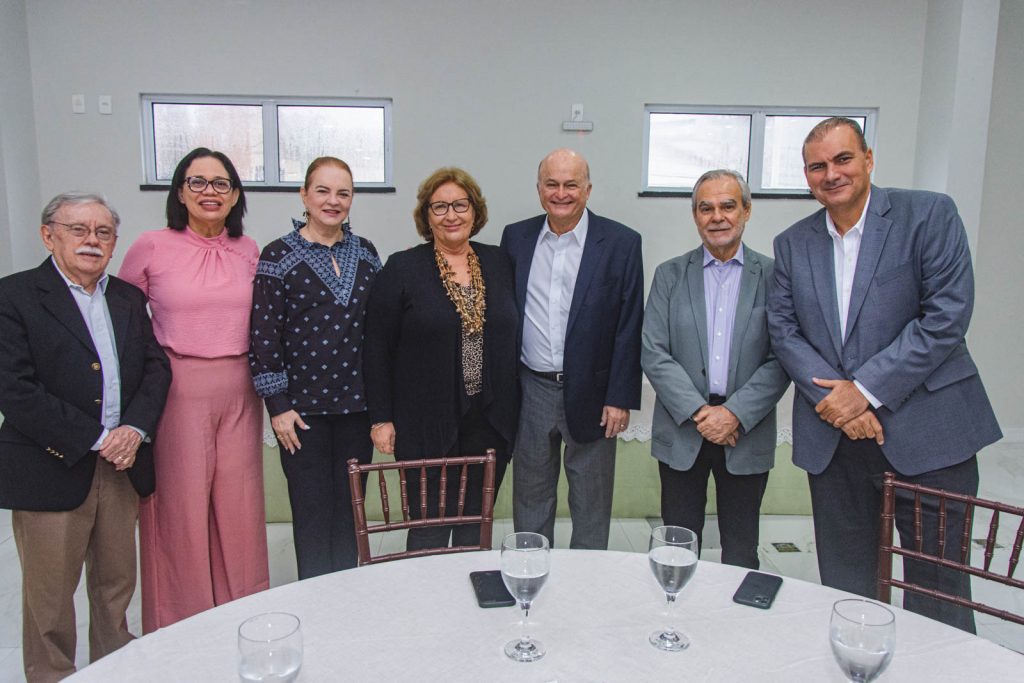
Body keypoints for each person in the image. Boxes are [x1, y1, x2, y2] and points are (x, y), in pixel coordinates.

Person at [767, 117, 1002, 631]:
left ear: (868, 159)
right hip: (836, 442)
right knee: (849, 586)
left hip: (930, 434)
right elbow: (785, 332)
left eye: (843, 159)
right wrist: (842, 404)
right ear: (807, 176)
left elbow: (946, 316)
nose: (831, 174)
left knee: (937, 592)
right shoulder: (792, 243)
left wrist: (866, 392)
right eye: (817, 166)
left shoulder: (928, 215)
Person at [0, 193, 171, 681]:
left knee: (115, 585)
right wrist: (100, 438)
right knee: (50, 597)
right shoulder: (13, 297)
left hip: (122, 467)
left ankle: (113, 669)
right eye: (78, 229)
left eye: (102, 232)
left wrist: (134, 430)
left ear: (115, 242)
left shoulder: (126, 298)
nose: (91, 241)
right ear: (47, 234)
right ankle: (51, 675)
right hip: (51, 468)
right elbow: (15, 390)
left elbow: (156, 369)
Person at [119, 148, 269, 632]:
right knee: (181, 507)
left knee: (240, 505)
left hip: (242, 387)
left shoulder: (250, 250)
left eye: (221, 183)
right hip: (178, 387)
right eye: (197, 181)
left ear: (236, 195)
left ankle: (241, 613)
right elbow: (122, 319)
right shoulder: (151, 246)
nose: (209, 191)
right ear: (180, 191)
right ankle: (182, 622)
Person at [364, 167, 518, 551]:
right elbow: (376, 347)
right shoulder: (402, 268)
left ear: (475, 211)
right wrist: (381, 418)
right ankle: (425, 606)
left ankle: (469, 604)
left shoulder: (500, 263)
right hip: (424, 424)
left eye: (460, 205)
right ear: (426, 216)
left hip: (491, 420)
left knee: (475, 524)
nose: (451, 215)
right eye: (440, 207)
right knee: (429, 525)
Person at [642, 170, 789, 569]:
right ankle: (676, 619)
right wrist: (700, 412)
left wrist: (734, 413)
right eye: (706, 208)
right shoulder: (670, 276)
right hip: (684, 428)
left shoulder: (776, 277)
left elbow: (784, 356)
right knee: (677, 546)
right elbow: (653, 350)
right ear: (695, 216)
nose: (717, 216)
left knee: (741, 549)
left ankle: (731, 627)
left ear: (746, 211)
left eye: (728, 206)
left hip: (746, 430)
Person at [501, 148, 644, 549]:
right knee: (530, 499)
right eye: (552, 184)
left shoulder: (621, 243)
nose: (561, 193)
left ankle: (587, 592)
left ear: (588, 189)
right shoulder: (516, 238)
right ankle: (531, 578)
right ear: (539, 188)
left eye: (571, 184)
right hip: (532, 390)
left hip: (596, 395)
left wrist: (620, 398)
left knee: (592, 505)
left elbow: (629, 325)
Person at [250, 157, 381, 578]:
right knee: (310, 515)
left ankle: (345, 599)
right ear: (304, 195)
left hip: (357, 411)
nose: (333, 201)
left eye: (343, 193)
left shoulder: (366, 253)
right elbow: (263, 336)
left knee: (350, 515)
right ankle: (315, 603)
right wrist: (278, 405)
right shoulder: (278, 255)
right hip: (301, 415)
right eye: (322, 191)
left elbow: (378, 331)